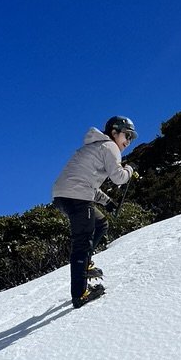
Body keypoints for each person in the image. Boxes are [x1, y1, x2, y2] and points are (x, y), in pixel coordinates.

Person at [52, 116, 137, 308]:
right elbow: (118, 177)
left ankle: (86, 264)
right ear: (115, 132)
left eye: (132, 138)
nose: (128, 141)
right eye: (127, 135)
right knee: (82, 243)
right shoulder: (110, 147)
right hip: (77, 196)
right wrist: (130, 169)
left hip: (64, 195)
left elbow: (86, 182)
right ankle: (80, 294)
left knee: (101, 223)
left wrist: (107, 202)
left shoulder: (97, 146)